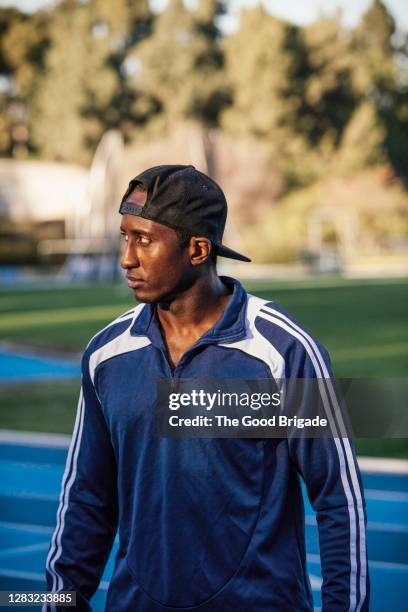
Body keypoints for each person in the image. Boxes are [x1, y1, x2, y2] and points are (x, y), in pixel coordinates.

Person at [44, 164, 369, 611]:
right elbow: (87, 498)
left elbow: (339, 499)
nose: (126, 259)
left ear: (197, 249)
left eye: (144, 240)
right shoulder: (106, 355)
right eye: (125, 237)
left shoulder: (283, 352)